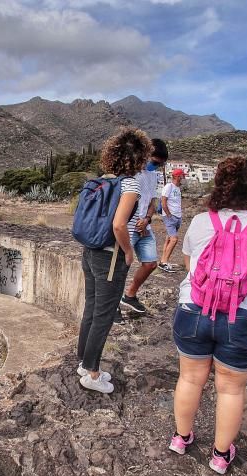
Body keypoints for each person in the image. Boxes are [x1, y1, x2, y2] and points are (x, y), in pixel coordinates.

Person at [169, 156, 247, 474]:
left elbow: (190, 267)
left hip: (194, 310)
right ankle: (220, 455)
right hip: (244, 319)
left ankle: (181, 438)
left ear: (217, 187)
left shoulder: (201, 222)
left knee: (190, 378)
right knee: (231, 389)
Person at [76, 127, 151, 394]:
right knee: (104, 316)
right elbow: (120, 225)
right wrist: (129, 252)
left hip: (90, 251)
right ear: (140, 156)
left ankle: (84, 363)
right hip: (110, 257)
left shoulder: (102, 180)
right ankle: (92, 374)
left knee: (92, 308)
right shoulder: (129, 184)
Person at [119, 138, 168, 316]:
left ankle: (129, 295)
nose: (156, 167)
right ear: (146, 155)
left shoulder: (153, 175)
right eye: (155, 162)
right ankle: (113, 304)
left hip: (144, 226)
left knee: (150, 263)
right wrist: (134, 221)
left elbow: (153, 200)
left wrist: (147, 219)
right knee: (121, 266)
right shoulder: (130, 173)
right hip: (129, 225)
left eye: (160, 165)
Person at [158, 168, 185, 273]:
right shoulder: (168, 187)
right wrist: (168, 215)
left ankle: (163, 260)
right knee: (174, 239)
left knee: (169, 239)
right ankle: (164, 262)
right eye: (182, 176)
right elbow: (163, 201)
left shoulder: (178, 188)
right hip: (170, 217)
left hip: (177, 217)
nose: (183, 178)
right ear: (178, 177)